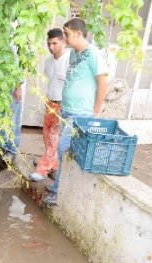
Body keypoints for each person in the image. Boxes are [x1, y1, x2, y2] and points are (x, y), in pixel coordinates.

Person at [42, 18, 108, 206]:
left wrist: (95, 112)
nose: (65, 38)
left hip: (81, 114)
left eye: (67, 35)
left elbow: (103, 83)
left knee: (62, 147)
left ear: (79, 34)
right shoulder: (72, 55)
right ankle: (58, 189)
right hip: (67, 110)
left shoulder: (94, 54)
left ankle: (58, 193)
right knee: (64, 151)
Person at [29, 28, 70, 182]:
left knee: (54, 138)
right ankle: (52, 164)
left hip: (62, 105)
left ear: (63, 42)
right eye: (49, 44)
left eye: (55, 43)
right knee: (47, 136)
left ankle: (43, 170)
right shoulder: (48, 61)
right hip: (50, 102)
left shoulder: (69, 59)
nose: (51, 47)